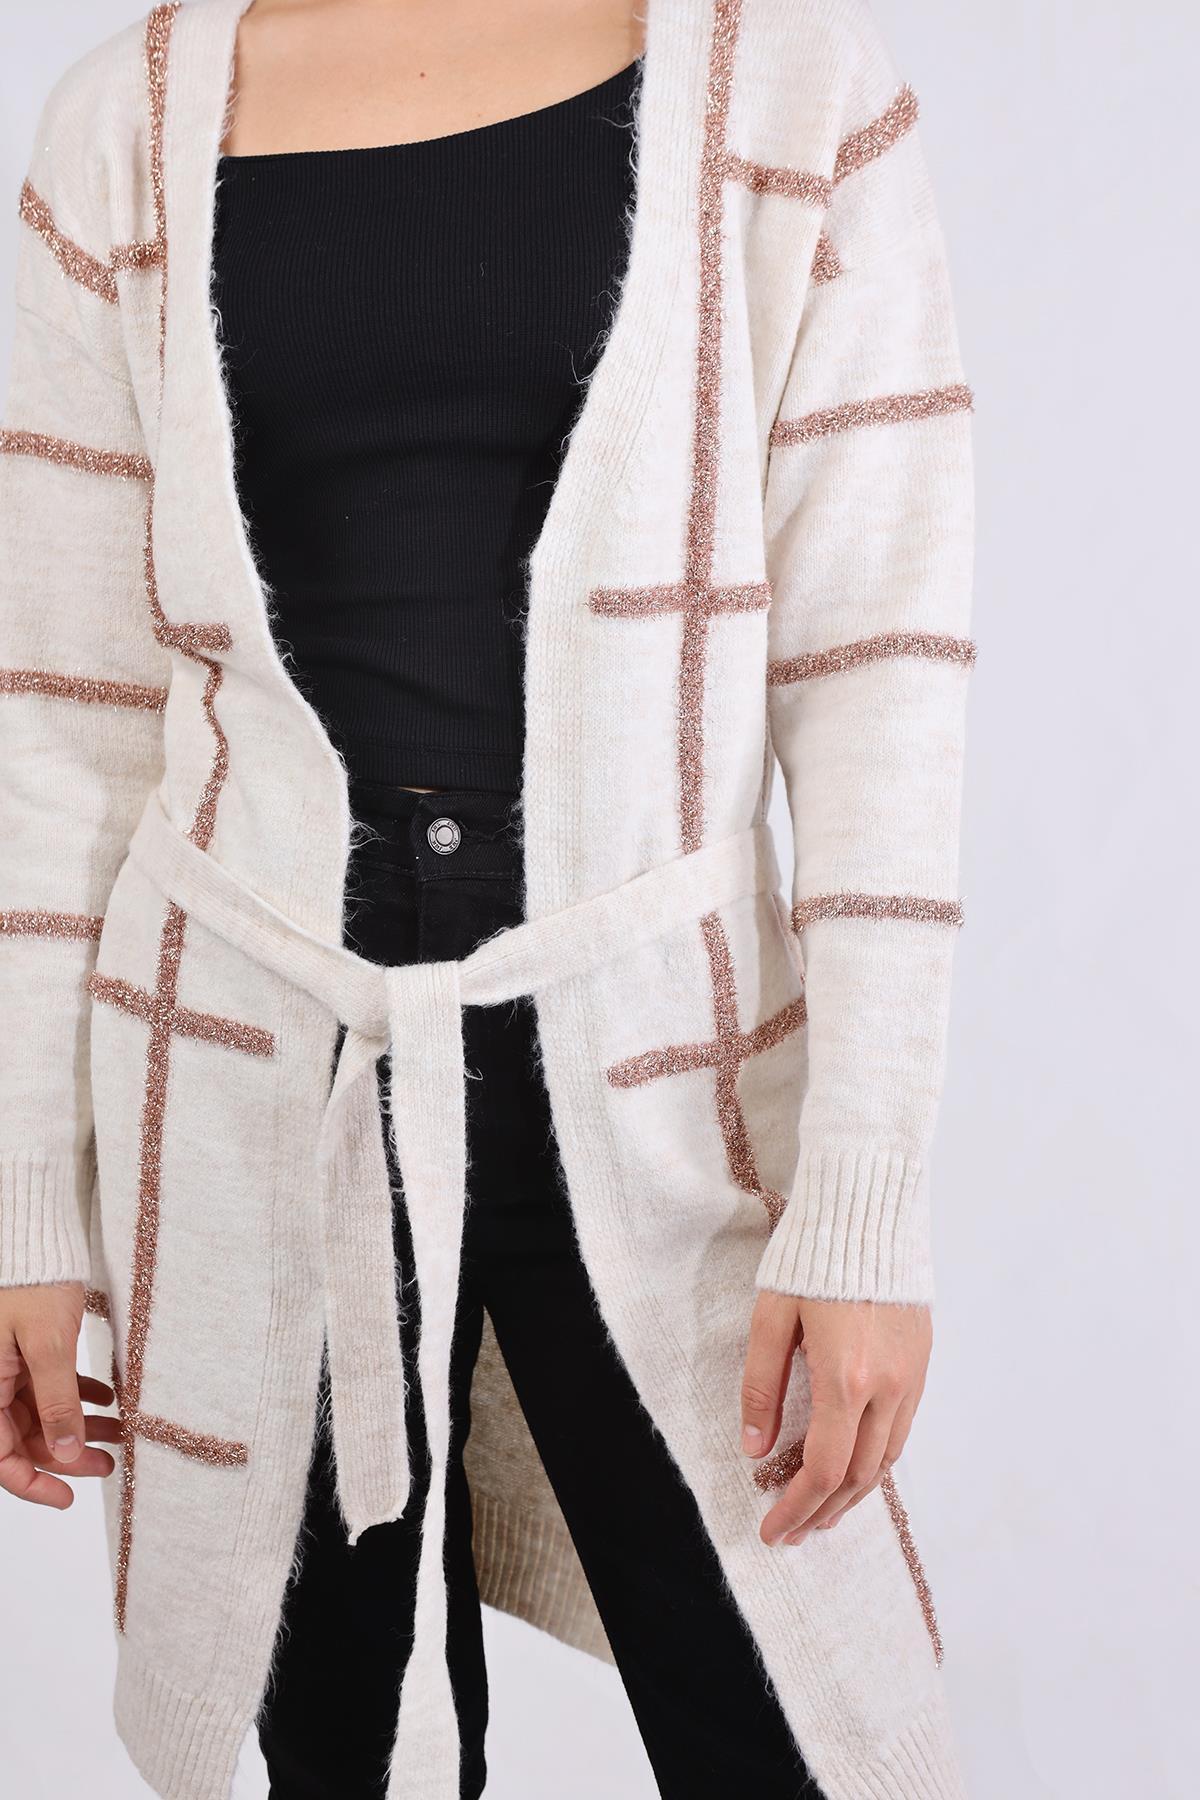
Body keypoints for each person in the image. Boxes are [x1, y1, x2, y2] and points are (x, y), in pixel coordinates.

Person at [0, 1, 976, 1797]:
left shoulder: (791, 94)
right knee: (334, 1749)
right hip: (249, 1069)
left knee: (798, 1726)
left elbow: (878, 675)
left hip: (661, 1070)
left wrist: (863, 1208)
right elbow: (66, 716)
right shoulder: (124, 125)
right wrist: (27, 1209)